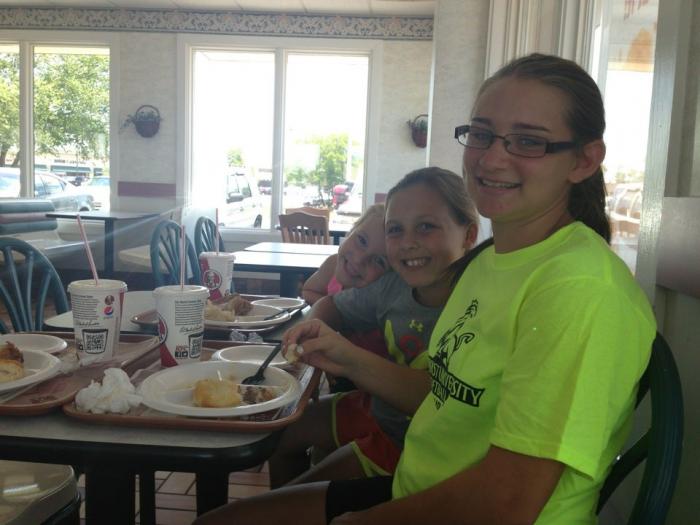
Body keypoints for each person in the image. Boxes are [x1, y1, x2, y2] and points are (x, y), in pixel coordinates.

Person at [193, 53, 655, 525]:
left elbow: (506, 504)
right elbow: (443, 395)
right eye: (481, 134)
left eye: (528, 141)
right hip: (418, 487)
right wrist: (346, 357)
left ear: (584, 160)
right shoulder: (488, 262)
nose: (492, 158)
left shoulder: (579, 290)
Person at [269, 167, 478, 489]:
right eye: (396, 229)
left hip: (419, 446)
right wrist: (310, 331)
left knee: (293, 499)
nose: (408, 243)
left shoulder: (481, 301)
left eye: (425, 226)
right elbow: (333, 305)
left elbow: (440, 398)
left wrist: (346, 357)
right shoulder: (393, 287)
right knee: (280, 431)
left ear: (469, 235)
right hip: (381, 413)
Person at [302, 203, 388, 306]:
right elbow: (308, 291)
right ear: (351, 231)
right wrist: (331, 308)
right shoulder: (332, 265)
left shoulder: (381, 296)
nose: (358, 260)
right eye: (362, 240)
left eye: (378, 261)